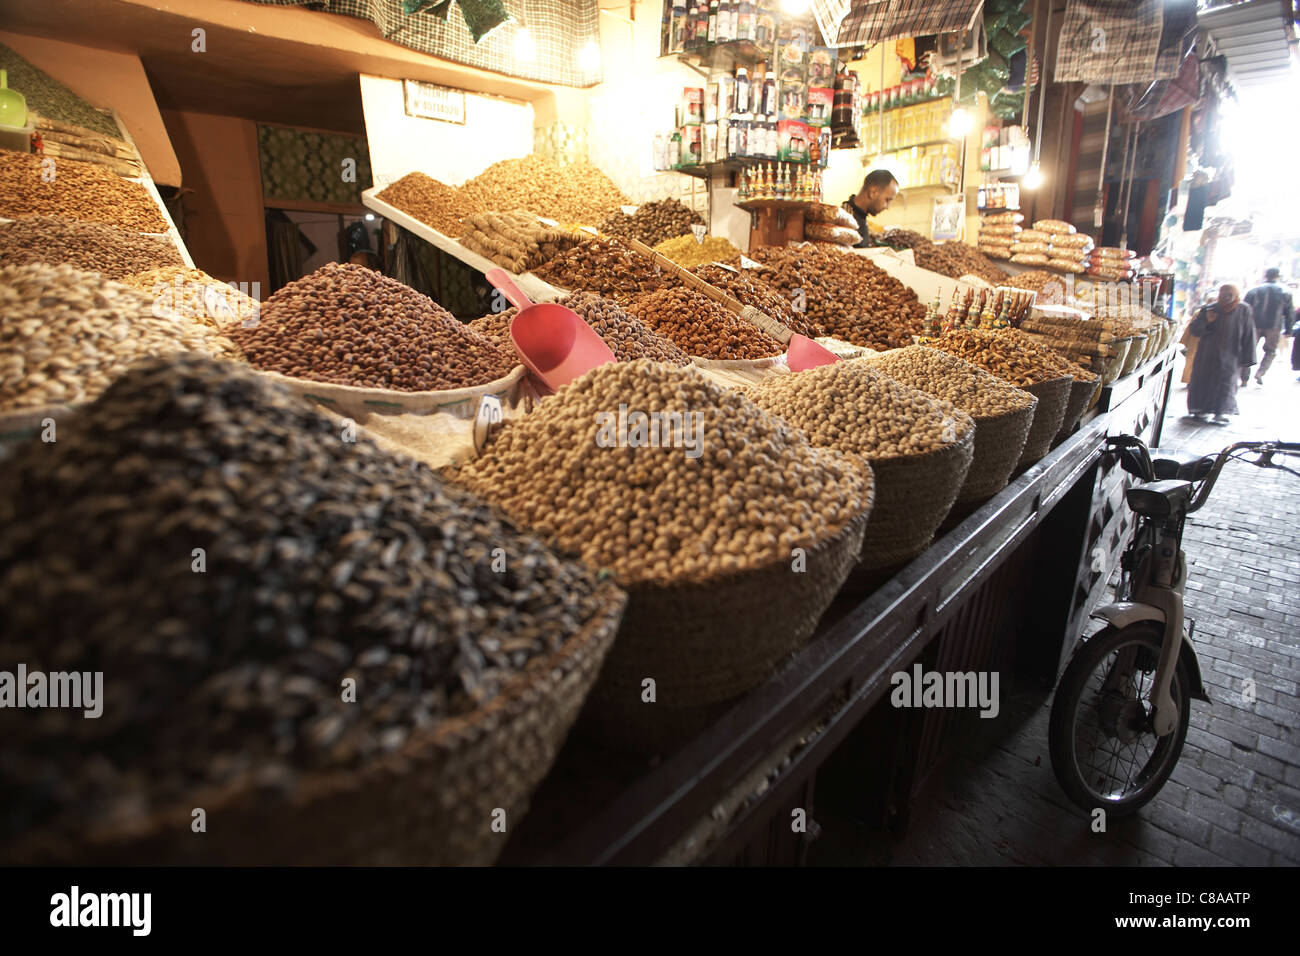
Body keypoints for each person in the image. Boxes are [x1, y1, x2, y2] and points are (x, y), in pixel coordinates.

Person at [1186, 284, 1257, 423]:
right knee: (1203, 380)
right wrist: (1208, 321)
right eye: (1224, 294)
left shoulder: (1243, 310)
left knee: (1226, 382)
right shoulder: (1210, 309)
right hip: (1207, 354)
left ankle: (1222, 411)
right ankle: (1200, 410)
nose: (1226, 297)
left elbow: (1249, 334)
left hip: (1231, 354)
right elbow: (1194, 330)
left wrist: (1248, 358)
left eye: (1230, 294)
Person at [1241, 268, 1294, 385]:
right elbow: (1290, 312)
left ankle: (1244, 378)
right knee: (1270, 351)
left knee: (1248, 349)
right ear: (1278, 276)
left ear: (1265, 275)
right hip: (1274, 326)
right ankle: (1260, 372)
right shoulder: (1285, 291)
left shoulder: (1254, 290)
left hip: (1254, 324)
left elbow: (1243, 308)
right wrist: (1289, 330)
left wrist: (1241, 326)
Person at [842, 169, 900, 248]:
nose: (887, 207)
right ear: (873, 192)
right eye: (887, 200)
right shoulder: (845, 219)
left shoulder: (861, 218)